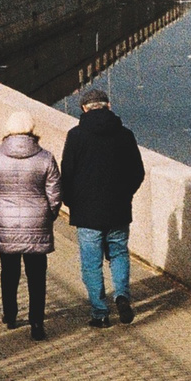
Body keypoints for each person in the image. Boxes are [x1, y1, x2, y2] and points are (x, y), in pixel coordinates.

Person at [56, 86, 146, 328]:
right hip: (118, 210)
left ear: (84, 109)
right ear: (109, 106)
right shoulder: (125, 135)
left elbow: (68, 174)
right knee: (118, 254)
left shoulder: (76, 136)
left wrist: (71, 202)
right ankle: (122, 296)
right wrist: (125, 194)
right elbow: (137, 172)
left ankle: (100, 313)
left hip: (87, 214)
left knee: (91, 263)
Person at [0, 110, 61, 341]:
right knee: (37, 275)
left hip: (5, 222)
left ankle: (11, 314)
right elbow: (54, 193)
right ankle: (36, 323)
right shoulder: (45, 158)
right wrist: (48, 215)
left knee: (9, 271)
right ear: (32, 130)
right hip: (37, 222)